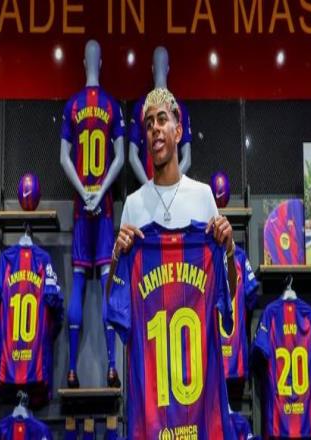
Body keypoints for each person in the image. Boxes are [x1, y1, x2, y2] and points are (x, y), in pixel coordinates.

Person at [112, 87, 236, 293]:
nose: (155, 128)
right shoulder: (133, 205)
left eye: (162, 120)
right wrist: (117, 255)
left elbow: (228, 291)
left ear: (178, 133)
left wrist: (229, 247)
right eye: (149, 124)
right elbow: (115, 296)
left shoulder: (203, 196)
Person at [60, 39, 125, 388]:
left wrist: (84, 192)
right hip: (105, 207)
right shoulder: (112, 105)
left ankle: (72, 370)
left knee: (79, 283)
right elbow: (120, 157)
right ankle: (112, 367)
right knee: (106, 283)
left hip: (80, 206)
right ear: (99, 62)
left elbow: (63, 158)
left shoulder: (72, 105)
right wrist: (100, 193)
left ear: (84, 61)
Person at [128, 47, 192, 184]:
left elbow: (133, 156)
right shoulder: (179, 107)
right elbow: (187, 159)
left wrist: (153, 187)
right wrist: (166, 184)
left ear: (152, 69)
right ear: (168, 69)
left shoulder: (141, 106)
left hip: (154, 186)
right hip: (157, 187)